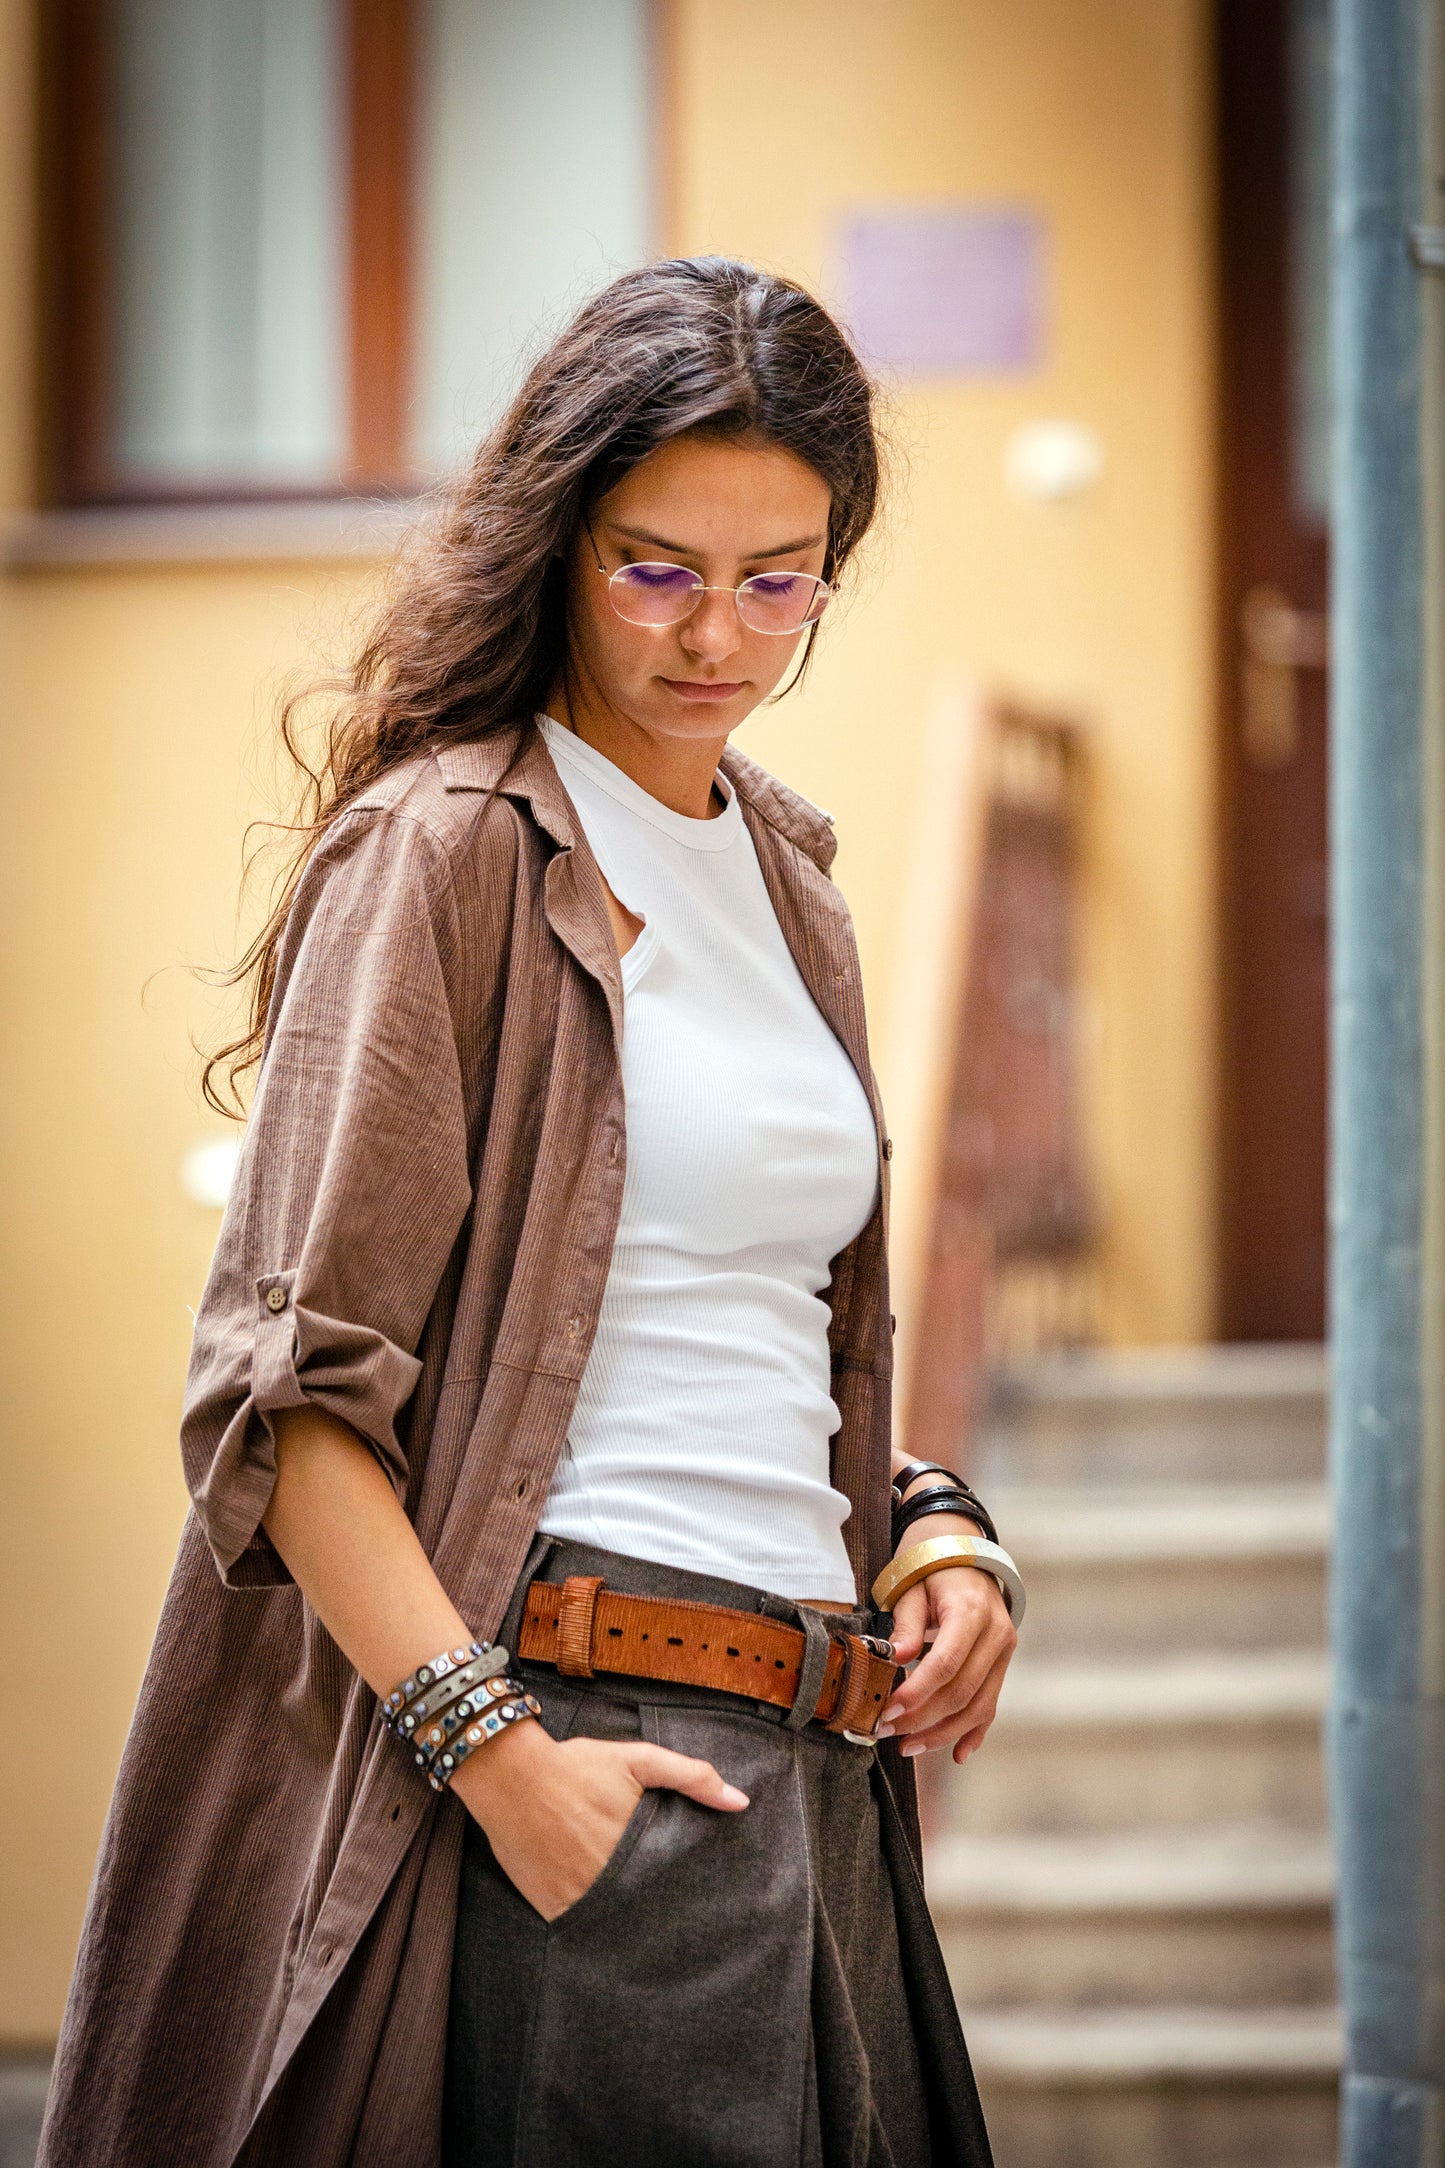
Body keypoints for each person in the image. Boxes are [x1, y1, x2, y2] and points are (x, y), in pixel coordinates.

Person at [39, 257, 1020, 2168]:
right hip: (587, 1735)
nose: (715, 633)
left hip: (825, 1783)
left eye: (778, 577)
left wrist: (930, 1529)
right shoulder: (450, 852)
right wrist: (504, 1765)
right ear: (557, 538)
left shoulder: (792, 880)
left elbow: (736, 1320)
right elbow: (286, 1403)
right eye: (655, 566)